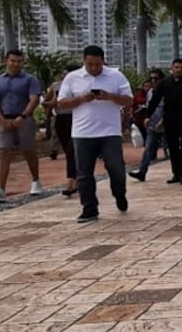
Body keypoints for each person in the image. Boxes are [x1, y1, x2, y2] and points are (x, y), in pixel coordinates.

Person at [56, 45, 134, 223]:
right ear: (84, 61)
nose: (94, 68)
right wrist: (81, 99)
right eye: (90, 64)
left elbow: (129, 100)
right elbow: (61, 104)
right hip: (83, 133)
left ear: (103, 61)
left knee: (116, 168)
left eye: (98, 64)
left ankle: (119, 194)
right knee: (83, 173)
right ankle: (89, 208)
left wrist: (109, 97)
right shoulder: (72, 78)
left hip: (109, 132)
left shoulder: (115, 76)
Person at [0, 49, 43, 203]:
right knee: (3, 152)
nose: (16, 64)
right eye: (13, 61)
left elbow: (34, 99)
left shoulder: (30, 79)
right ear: (6, 61)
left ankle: (36, 181)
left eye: (19, 61)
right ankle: (0, 188)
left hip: (24, 119)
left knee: (28, 151)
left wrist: (23, 116)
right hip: (4, 119)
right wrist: (1, 119)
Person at [145, 58, 182, 186]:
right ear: (172, 68)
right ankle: (176, 173)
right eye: (177, 67)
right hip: (170, 119)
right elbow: (155, 100)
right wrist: (148, 116)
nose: (179, 70)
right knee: (173, 146)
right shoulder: (164, 83)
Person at [42, 64, 81, 198]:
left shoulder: (81, 85)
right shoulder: (57, 85)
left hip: (76, 118)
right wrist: (44, 105)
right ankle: (79, 177)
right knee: (68, 150)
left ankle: (72, 181)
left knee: (72, 150)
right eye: (64, 74)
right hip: (61, 118)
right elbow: (52, 101)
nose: (65, 76)